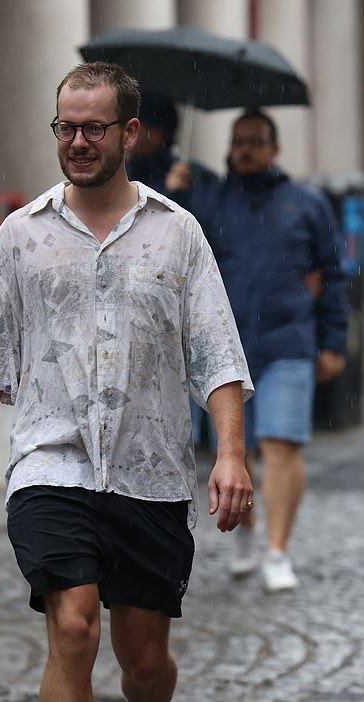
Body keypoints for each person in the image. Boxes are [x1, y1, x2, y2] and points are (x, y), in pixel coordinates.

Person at [0, 62, 254, 702]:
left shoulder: (178, 233)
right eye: (65, 128)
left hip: (151, 470)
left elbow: (217, 353)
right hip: (50, 462)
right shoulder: (22, 236)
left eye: (94, 129)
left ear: (130, 132)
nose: (77, 143)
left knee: (142, 661)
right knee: (75, 629)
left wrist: (231, 454)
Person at [197, 109, 348, 592]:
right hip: (225, 350)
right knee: (232, 452)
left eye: (256, 141)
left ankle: (278, 551)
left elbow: (334, 273)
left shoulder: (306, 203)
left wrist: (333, 341)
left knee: (281, 445)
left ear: (275, 148)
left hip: (288, 342)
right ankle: (247, 534)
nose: (245, 149)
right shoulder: (209, 202)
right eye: (238, 141)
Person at [126, 92, 219, 445]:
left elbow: (197, 236)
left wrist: (180, 193)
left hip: (183, 303)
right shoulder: (124, 174)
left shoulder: (195, 177)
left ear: (158, 132)